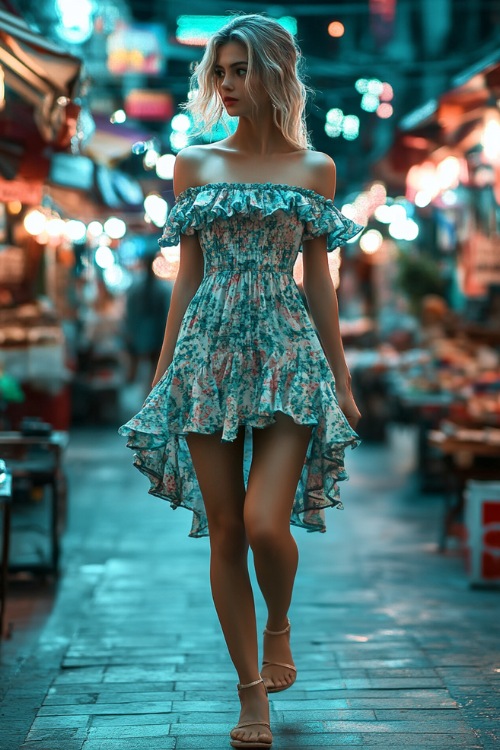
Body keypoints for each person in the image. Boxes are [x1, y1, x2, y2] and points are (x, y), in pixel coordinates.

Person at [119, 13, 362, 749]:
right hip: (206, 356)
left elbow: (320, 285)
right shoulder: (193, 164)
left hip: (287, 354)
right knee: (226, 530)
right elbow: (185, 281)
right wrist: (162, 379)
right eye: (218, 71)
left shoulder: (314, 170)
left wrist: (342, 380)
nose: (225, 85)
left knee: (266, 523)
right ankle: (250, 695)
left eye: (239, 70)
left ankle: (279, 624)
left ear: (276, 74)